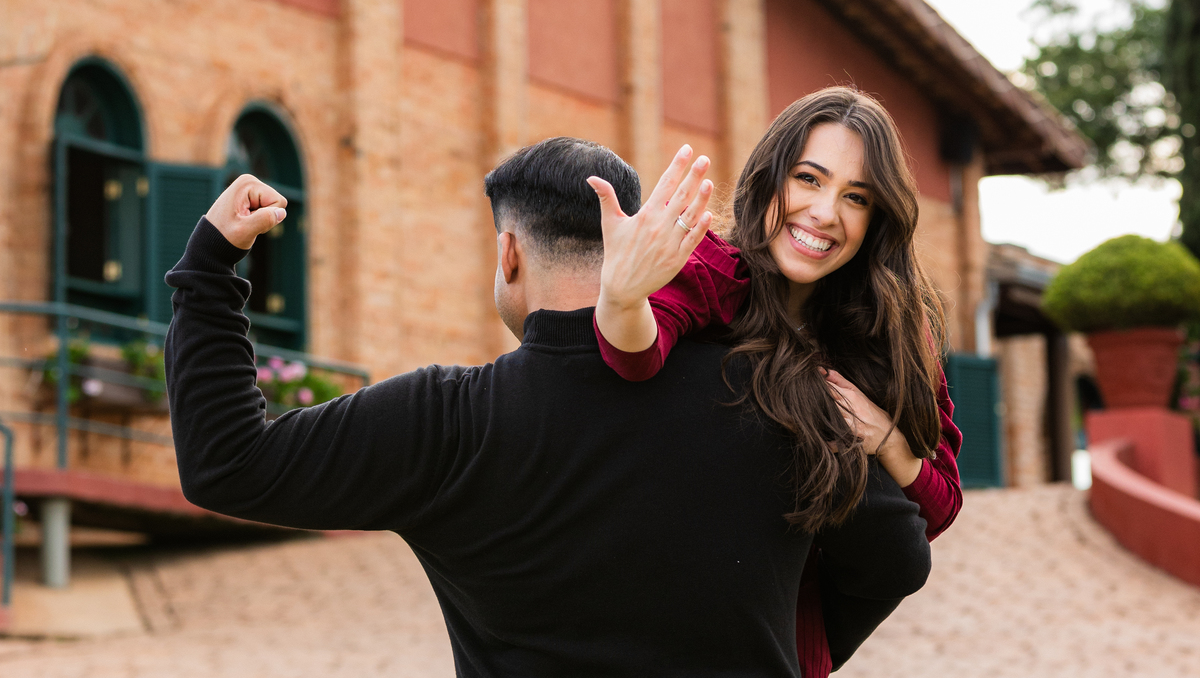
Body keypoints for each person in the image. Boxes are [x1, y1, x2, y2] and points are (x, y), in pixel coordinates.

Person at [165, 136, 931, 677]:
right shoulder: (779, 396)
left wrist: (210, 267)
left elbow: (228, 464)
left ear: (510, 255)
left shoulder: (448, 422)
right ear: (632, 243)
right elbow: (898, 556)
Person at [588, 88, 963, 675]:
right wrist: (621, 294)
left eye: (855, 197)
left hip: (792, 649)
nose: (824, 212)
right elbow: (634, 352)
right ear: (770, 174)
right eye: (809, 179)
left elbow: (938, 509)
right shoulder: (713, 270)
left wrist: (886, 437)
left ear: (876, 219)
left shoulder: (892, 329)